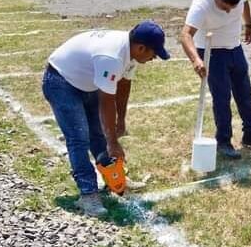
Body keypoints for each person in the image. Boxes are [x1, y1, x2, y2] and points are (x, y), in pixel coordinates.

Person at [42, 21, 170, 216]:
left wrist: (121, 121)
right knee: (79, 137)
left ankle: (114, 179)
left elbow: (124, 85)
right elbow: (106, 101)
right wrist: (113, 142)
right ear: (141, 47)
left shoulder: (131, 52)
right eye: (154, 53)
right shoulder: (112, 57)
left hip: (85, 82)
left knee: (98, 134)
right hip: (61, 82)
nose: (154, 58)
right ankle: (88, 195)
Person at [180, 0, 251, 159]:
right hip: (212, 53)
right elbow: (185, 35)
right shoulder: (201, 4)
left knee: (245, 94)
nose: (229, 11)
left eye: (232, 7)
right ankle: (223, 142)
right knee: (222, 98)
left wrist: (248, 24)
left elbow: (245, 3)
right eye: (225, 7)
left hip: (235, 47)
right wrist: (196, 60)